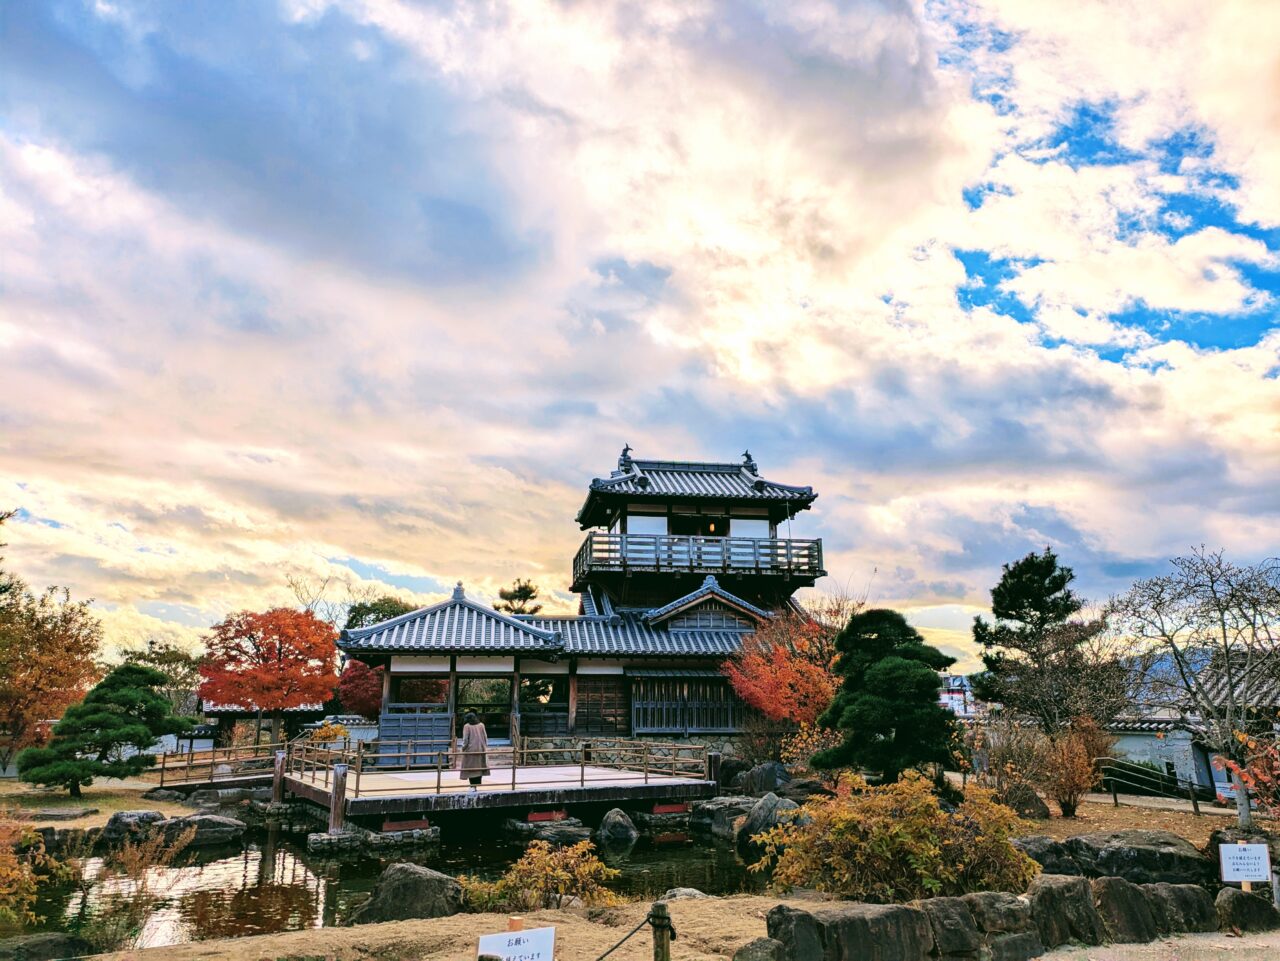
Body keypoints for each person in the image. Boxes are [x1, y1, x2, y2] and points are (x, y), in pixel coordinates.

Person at [459, 711, 490, 792]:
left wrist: (463, 748)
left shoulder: (467, 726)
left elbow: (465, 739)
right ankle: (476, 785)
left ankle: (472, 786)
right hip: (481, 749)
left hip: (470, 751)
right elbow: (485, 737)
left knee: (471, 769)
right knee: (479, 768)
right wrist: (485, 747)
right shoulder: (481, 725)